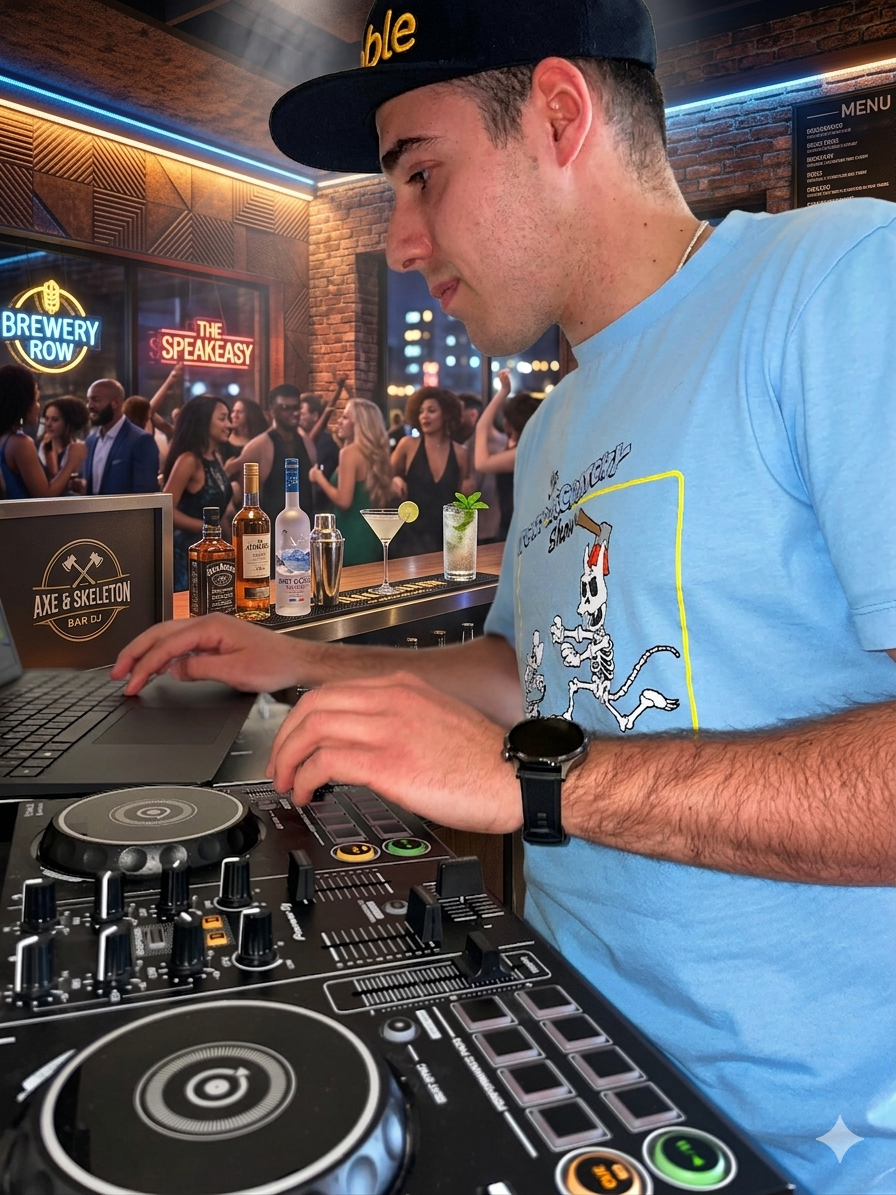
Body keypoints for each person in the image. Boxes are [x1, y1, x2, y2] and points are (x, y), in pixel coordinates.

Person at [112, 2, 896, 1192]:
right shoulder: (558, 422)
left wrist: (531, 779)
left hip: (799, 1143)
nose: (397, 239)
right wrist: (295, 661)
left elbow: (532, 744)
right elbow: (534, 667)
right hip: (565, 1058)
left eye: (420, 175)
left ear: (561, 115)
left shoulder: (836, 283)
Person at [161, 395, 234, 590]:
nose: (229, 424)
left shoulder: (214, 456)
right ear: (203, 421)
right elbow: (165, 510)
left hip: (212, 553)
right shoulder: (188, 460)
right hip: (188, 556)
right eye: (222, 418)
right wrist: (206, 528)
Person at [309, 398, 394, 565]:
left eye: (345, 417)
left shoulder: (349, 453)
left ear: (360, 424)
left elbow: (343, 501)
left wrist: (318, 477)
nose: (339, 421)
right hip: (371, 535)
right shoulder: (376, 453)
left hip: (350, 534)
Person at [390, 386, 472, 555]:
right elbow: (384, 477)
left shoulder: (461, 453)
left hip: (446, 539)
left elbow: (464, 502)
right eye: (421, 411)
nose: (424, 416)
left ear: (446, 414)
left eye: (431, 410)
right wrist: (394, 479)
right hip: (409, 537)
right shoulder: (407, 445)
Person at [226, 384, 313, 531]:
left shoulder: (306, 442)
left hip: (303, 530)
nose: (294, 413)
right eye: (286, 408)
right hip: (271, 535)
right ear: (273, 411)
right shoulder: (259, 446)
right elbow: (241, 497)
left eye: (296, 408)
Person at [0, 366, 86, 498]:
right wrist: (71, 462)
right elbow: (44, 496)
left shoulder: (5, 438)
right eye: (36, 399)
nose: (38, 406)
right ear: (22, 402)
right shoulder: (20, 443)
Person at [474, 369, 541, 539]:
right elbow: (484, 428)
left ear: (508, 423)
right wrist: (504, 392)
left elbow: (482, 461)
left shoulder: (522, 452)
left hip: (518, 526)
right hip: (513, 523)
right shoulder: (524, 447)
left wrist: (504, 392)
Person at [82, 378, 159, 495]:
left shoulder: (141, 441)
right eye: (88, 400)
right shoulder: (90, 441)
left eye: (95, 400)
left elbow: (145, 496)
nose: (89, 406)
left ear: (116, 403)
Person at [458, 389, 504, 541]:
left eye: (458, 415)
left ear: (472, 415)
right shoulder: (504, 441)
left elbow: (473, 490)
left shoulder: (474, 448)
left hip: (484, 529)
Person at [38, 395, 90, 481]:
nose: (48, 424)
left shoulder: (80, 449)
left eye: (55, 420)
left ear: (69, 423)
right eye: (46, 419)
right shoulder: (37, 447)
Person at [222, 397, 268, 461]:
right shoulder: (225, 436)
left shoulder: (261, 440)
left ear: (250, 415)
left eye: (239, 412)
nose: (234, 415)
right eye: (233, 411)